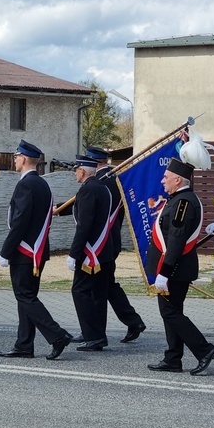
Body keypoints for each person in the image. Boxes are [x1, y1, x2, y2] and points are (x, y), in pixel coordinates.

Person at [0, 140, 73, 360]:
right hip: (37, 250)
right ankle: (24, 345)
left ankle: (57, 335)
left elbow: (20, 221)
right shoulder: (42, 184)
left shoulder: (26, 184)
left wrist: (6, 251)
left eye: (15, 156)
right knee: (27, 298)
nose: (14, 160)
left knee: (25, 296)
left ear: (22, 159)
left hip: (24, 251)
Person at [145, 156, 214, 375]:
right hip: (174, 268)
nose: (162, 181)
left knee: (170, 312)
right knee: (172, 312)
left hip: (174, 269)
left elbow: (176, 240)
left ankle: (204, 350)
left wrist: (164, 273)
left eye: (166, 177)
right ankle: (173, 358)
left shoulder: (183, 202)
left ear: (178, 180)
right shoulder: (178, 199)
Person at [84, 146, 146, 343]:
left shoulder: (105, 181)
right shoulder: (112, 179)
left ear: (95, 163)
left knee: (97, 289)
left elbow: (93, 208)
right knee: (108, 285)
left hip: (102, 242)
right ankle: (133, 321)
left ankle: (94, 333)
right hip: (111, 241)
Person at [65, 154, 114, 352]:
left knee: (80, 291)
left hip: (90, 253)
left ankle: (93, 335)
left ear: (83, 171)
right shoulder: (103, 188)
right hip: (105, 251)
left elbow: (84, 226)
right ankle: (95, 334)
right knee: (98, 295)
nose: (75, 173)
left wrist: (73, 254)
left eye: (76, 170)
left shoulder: (86, 190)